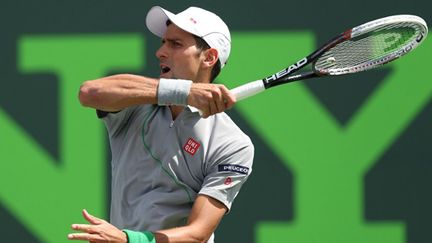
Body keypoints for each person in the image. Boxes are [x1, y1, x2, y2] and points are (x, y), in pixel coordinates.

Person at [67, 5, 254, 243]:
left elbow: (197, 234)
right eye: (163, 42)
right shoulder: (134, 103)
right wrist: (184, 92)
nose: (160, 52)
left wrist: (129, 240)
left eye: (175, 44)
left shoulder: (233, 144)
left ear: (209, 57)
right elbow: (89, 92)